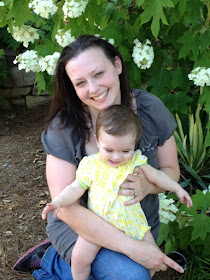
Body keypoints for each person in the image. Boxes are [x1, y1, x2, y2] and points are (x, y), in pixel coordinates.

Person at [13, 34, 185, 280]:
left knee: (135, 272)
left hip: (133, 222)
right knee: (132, 276)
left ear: (117, 65)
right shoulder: (64, 129)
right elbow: (66, 210)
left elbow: (171, 169)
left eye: (98, 74)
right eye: (80, 82)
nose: (93, 88)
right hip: (80, 228)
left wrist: (147, 185)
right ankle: (53, 262)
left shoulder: (149, 110)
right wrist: (134, 250)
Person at [41, 105, 192, 280]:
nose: (116, 157)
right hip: (100, 223)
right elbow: (75, 188)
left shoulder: (136, 162)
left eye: (125, 151)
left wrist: (177, 189)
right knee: (80, 258)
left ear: (134, 144)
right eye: (109, 150)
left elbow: (158, 177)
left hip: (133, 223)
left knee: (152, 261)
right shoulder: (92, 165)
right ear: (98, 141)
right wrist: (58, 201)